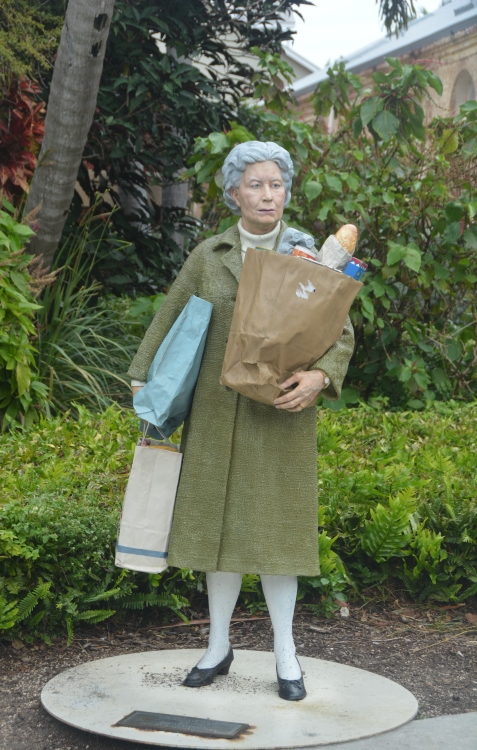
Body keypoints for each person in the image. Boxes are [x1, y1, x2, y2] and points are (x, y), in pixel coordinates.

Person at [128, 141, 355, 701]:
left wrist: (320, 377)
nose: (267, 194)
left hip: (281, 411)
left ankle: (286, 654)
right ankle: (218, 645)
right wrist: (143, 379)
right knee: (217, 535)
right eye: (254, 184)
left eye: (276, 183)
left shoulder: (311, 256)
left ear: (287, 191)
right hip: (215, 411)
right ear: (234, 192)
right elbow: (170, 313)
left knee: (279, 537)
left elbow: (339, 329)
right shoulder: (212, 252)